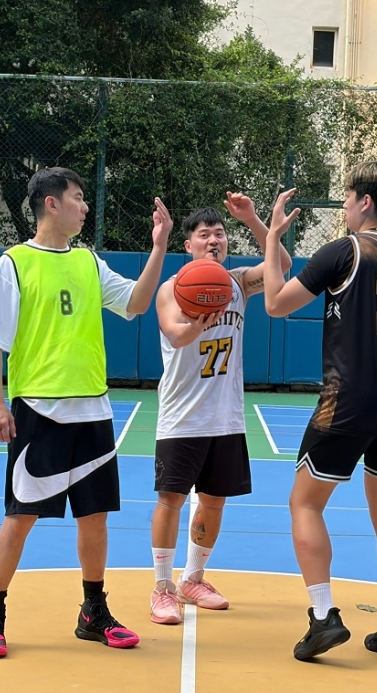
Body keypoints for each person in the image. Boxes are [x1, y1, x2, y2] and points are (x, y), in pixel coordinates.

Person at [0, 167, 173, 657]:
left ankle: (93, 612)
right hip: (38, 409)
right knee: (21, 516)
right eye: (79, 198)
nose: (85, 207)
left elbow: (137, 302)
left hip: (93, 409)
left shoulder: (88, 262)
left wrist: (159, 247)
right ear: (51, 204)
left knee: (95, 516)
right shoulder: (14, 263)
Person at [261, 161, 377, 662]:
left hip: (350, 397)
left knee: (305, 503)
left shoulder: (344, 251)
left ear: (363, 201)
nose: (344, 207)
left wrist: (272, 238)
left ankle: (322, 617)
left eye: (347, 197)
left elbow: (275, 303)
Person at [148, 194, 292, 625]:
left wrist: (253, 220)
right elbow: (175, 334)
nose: (213, 240)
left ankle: (192, 579)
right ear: (188, 245)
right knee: (171, 500)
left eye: (219, 234)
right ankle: (161, 587)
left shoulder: (238, 283)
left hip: (226, 416)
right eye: (204, 235)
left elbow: (282, 266)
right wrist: (199, 322)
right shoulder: (172, 289)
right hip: (182, 416)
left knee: (214, 502)